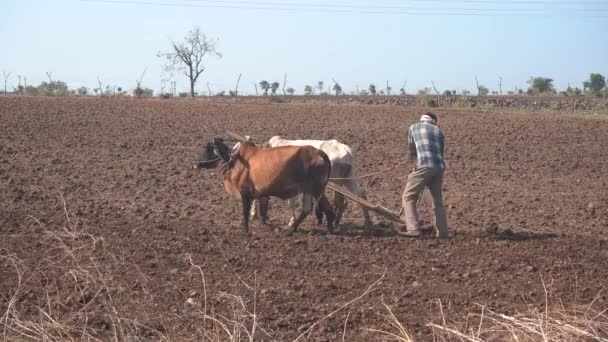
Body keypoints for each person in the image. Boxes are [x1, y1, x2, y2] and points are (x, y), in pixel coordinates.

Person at [396, 112, 448, 238]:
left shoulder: (414, 127)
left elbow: (412, 151)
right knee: (437, 200)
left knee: (408, 196)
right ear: (433, 121)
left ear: (422, 119)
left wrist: (416, 167)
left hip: (424, 164)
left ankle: (413, 229)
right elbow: (440, 152)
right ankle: (442, 233)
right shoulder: (438, 131)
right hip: (439, 167)